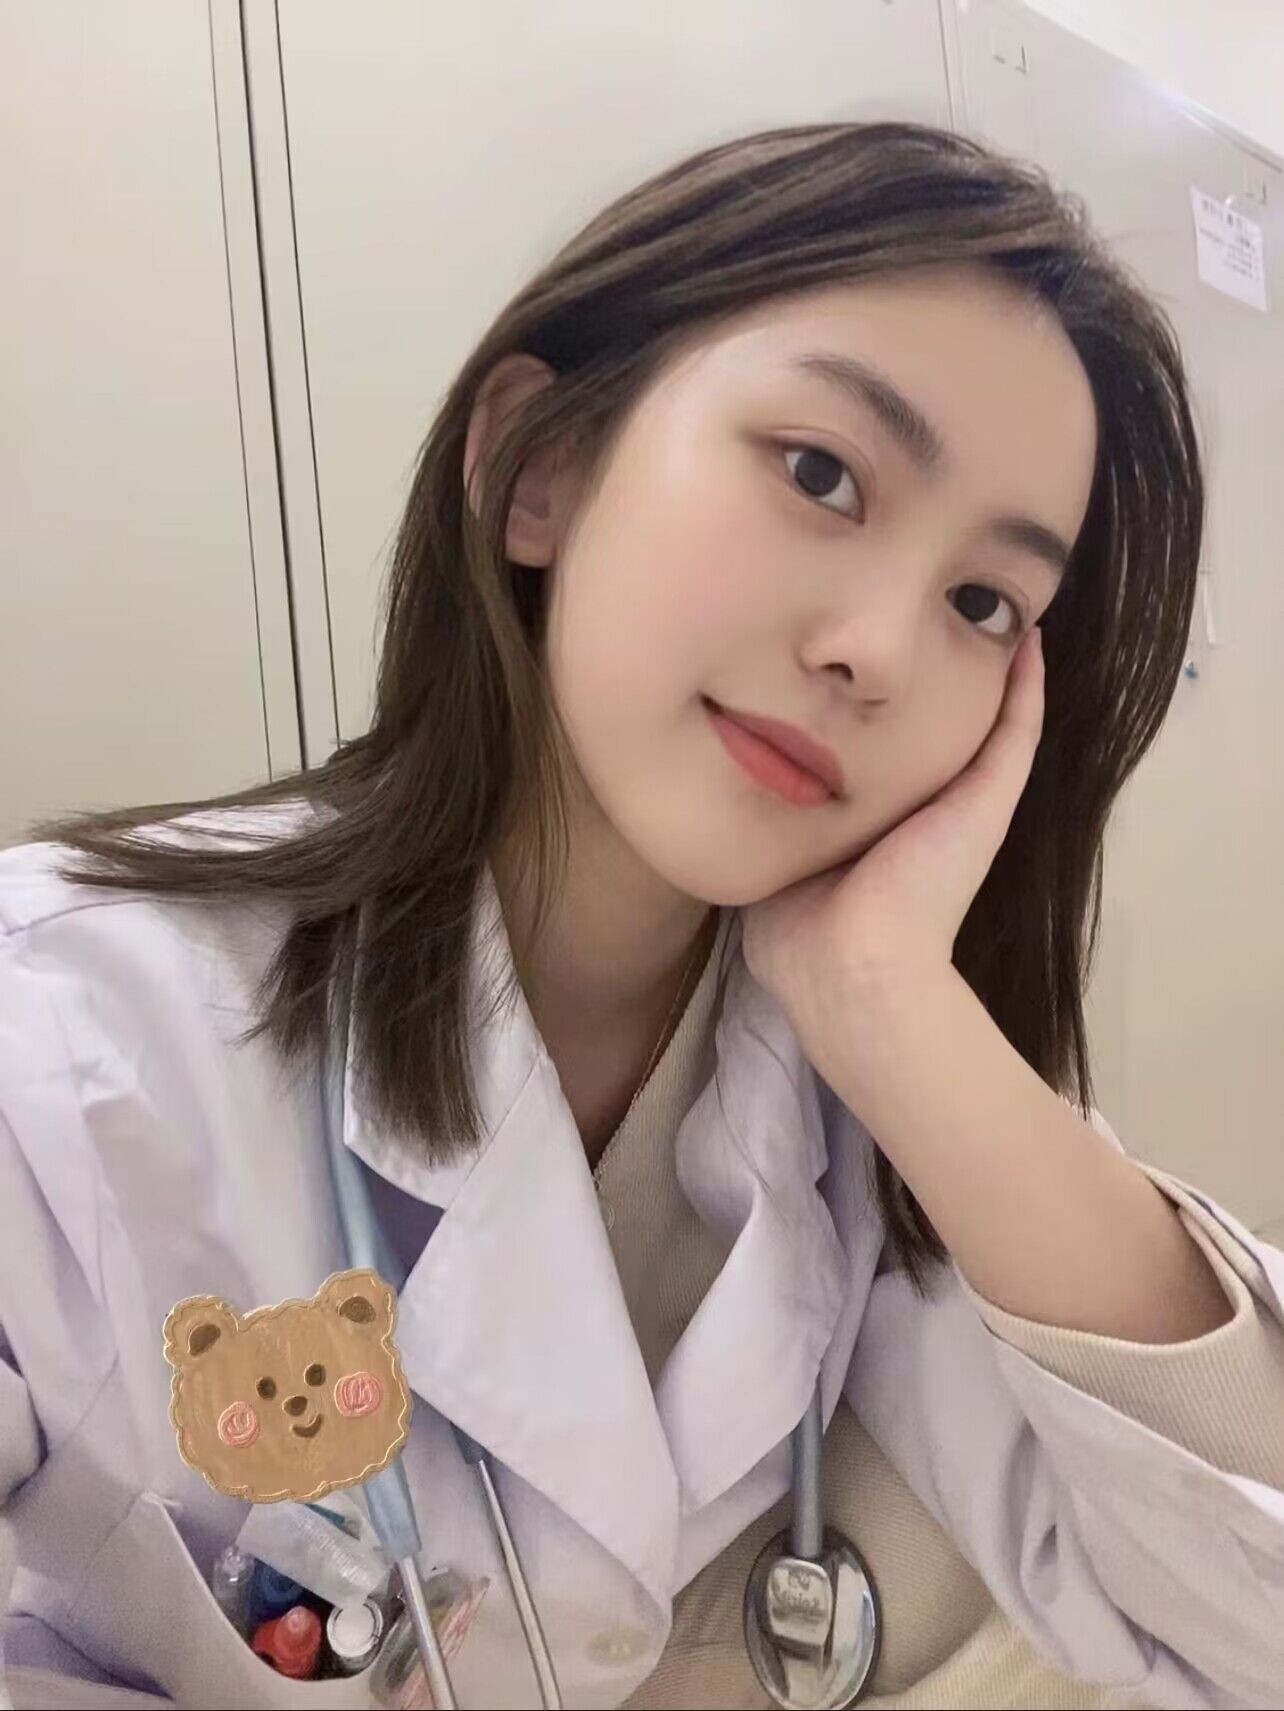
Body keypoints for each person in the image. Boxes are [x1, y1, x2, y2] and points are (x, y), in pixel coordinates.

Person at [2, 119, 1282, 1710]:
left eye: (983, 603)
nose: (880, 650)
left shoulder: (875, 1125)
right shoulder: (63, 1038)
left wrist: (890, 1004)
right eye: (821, 474)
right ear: (538, 468)